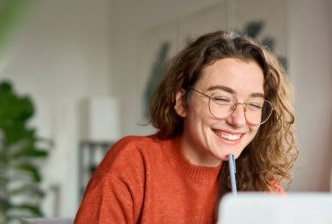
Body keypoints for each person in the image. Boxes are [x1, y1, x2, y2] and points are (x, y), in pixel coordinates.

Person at [74, 30, 298, 223]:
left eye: (254, 104)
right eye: (221, 99)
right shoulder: (133, 162)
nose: (239, 120)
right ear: (182, 102)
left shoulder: (260, 186)